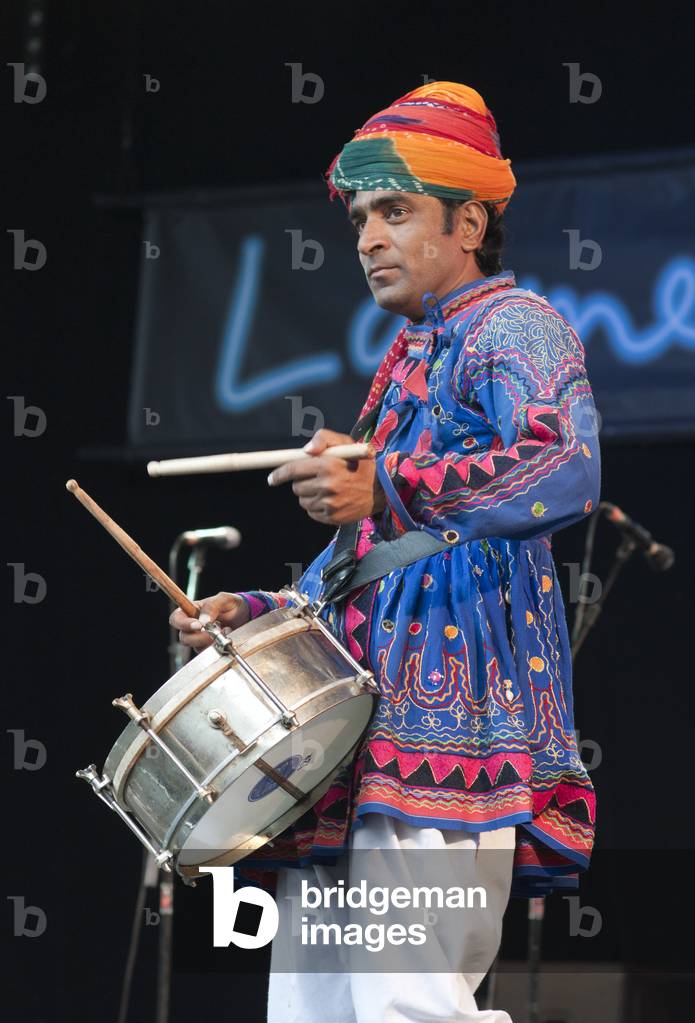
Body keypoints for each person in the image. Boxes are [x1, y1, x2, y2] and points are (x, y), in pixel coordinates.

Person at [171, 81, 601, 1022]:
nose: (368, 238)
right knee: (318, 1011)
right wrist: (259, 614)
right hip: (357, 741)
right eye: (361, 217)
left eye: (395, 211)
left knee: (410, 1003)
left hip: (447, 730)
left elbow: (566, 468)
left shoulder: (513, 325)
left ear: (469, 221)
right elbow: (376, 551)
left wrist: (390, 483)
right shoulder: (407, 359)